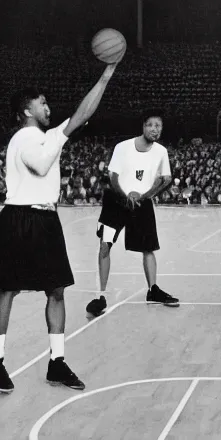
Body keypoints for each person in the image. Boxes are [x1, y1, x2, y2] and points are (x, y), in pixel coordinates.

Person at [0, 60, 122, 394]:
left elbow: (80, 114)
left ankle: (57, 363)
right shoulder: (25, 138)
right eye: (42, 103)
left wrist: (106, 75)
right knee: (8, 289)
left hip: (46, 218)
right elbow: (43, 163)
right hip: (19, 217)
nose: (48, 107)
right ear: (26, 110)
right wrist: (62, 136)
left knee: (57, 290)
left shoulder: (46, 136)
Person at [86, 110, 178, 317]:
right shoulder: (123, 147)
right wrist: (125, 196)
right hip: (116, 202)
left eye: (158, 126)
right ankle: (100, 295)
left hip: (142, 203)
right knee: (104, 245)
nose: (155, 129)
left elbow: (166, 178)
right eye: (151, 125)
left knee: (149, 248)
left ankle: (153, 290)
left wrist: (146, 196)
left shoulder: (161, 151)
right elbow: (113, 176)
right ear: (143, 126)